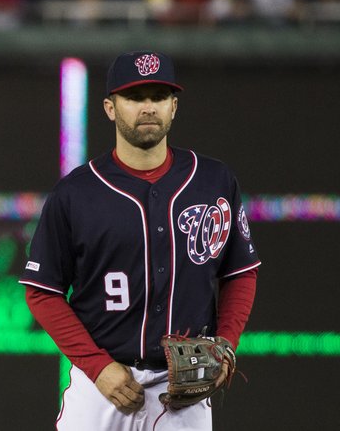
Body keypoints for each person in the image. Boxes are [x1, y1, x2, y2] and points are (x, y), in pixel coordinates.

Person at [20, 51, 260, 430]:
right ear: (110, 108)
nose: (148, 107)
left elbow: (240, 273)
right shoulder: (76, 193)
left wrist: (227, 346)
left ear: (174, 107)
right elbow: (42, 292)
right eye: (134, 97)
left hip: (185, 389)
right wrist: (97, 367)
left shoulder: (213, 181)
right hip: (100, 385)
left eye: (158, 96)